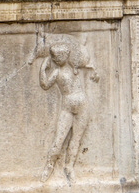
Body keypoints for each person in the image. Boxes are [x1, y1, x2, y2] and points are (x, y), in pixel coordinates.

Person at [38, 38, 99, 184]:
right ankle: (49, 165)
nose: (60, 59)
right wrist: (42, 69)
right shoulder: (57, 72)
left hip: (83, 106)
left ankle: (69, 167)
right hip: (68, 107)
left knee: (76, 139)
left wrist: (95, 73)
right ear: (53, 58)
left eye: (62, 56)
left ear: (67, 55)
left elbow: (88, 63)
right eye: (57, 57)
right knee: (58, 140)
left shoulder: (75, 67)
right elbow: (45, 84)